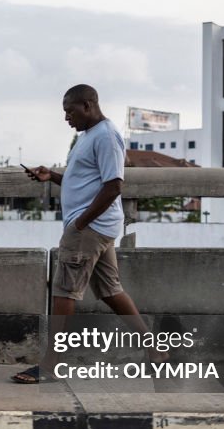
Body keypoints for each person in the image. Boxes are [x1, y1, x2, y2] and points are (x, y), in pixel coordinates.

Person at [12, 84, 163, 384]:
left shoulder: (106, 136)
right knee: (110, 290)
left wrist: (80, 224)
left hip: (89, 229)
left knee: (64, 291)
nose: (67, 118)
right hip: (99, 227)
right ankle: (155, 349)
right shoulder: (90, 137)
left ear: (88, 105)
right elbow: (85, 179)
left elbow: (113, 186)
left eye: (70, 111)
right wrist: (51, 176)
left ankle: (51, 364)